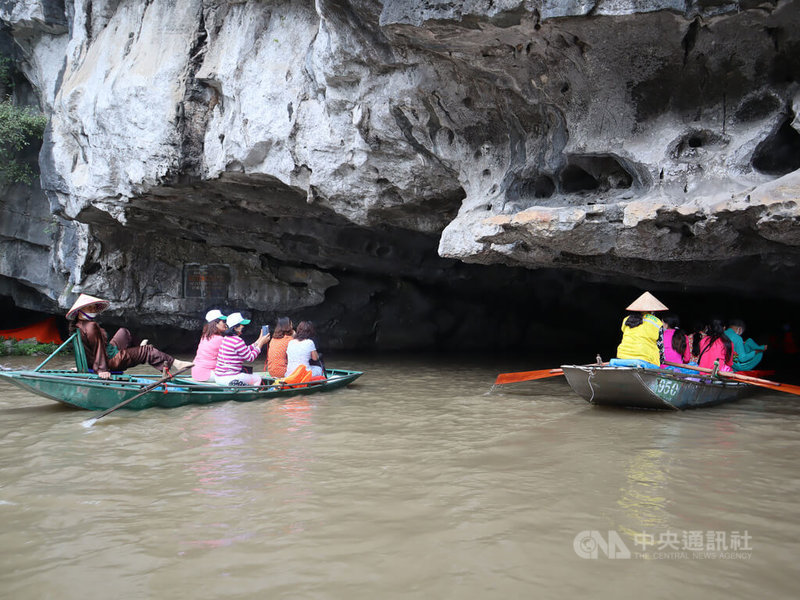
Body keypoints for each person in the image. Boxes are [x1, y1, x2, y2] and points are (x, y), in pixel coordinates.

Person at [66, 293, 192, 379]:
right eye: (91, 307)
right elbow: (97, 348)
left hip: (107, 352)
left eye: (94, 307)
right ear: (81, 310)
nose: (94, 309)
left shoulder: (79, 325)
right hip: (110, 360)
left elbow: (88, 350)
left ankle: (138, 348)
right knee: (148, 351)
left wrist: (82, 365)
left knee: (123, 332)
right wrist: (101, 370)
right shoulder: (91, 326)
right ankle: (176, 363)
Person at [612, 291, 668, 368]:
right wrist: (661, 360)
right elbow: (660, 346)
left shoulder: (626, 319)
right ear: (652, 310)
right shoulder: (656, 322)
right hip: (646, 359)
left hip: (622, 356)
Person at [214, 312, 270, 386]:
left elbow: (245, 350)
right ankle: (252, 393)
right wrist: (261, 343)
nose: (243, 326)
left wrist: (259, 339)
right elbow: (250, 358)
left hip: (219, 377)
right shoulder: (237, 341)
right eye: (241, 324)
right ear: (235, 327)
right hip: (229, 377)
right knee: (257, 378)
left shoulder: (226, 338)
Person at [190, 309, 228, 381]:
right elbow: (235, 351)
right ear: (216, 323)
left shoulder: (205, 337)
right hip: (206, 374)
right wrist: (230, 331)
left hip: (195, 372)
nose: (225, 324)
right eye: (223, 321)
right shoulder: (219, 339)